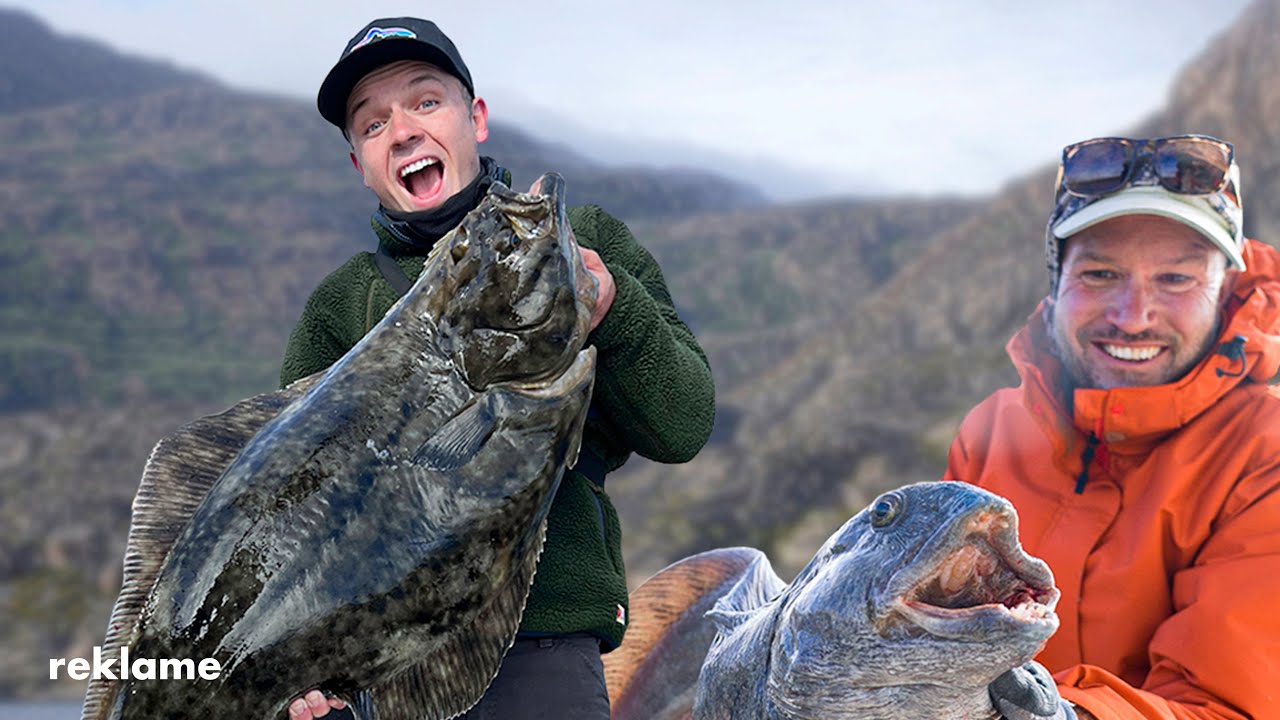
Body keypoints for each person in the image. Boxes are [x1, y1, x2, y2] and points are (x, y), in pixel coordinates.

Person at [278, 17, 715, 719]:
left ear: (475, 118)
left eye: (426, 101)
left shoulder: (583, 241)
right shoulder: (341, 305)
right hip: (382, 671)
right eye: (372, 123)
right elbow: (293, 510)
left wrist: (613, 309)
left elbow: (684, 424)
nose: (403, 131)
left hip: (544, 651)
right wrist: (298, 667)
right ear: (360, 163)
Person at [947, 135, 1280, 719]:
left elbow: (1229, 706)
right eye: (1100, 273)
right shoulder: (990, 433)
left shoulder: (1265, 457)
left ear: (1225, 290)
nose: (1133, 317)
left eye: (1176, 279)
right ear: (1057, 283)